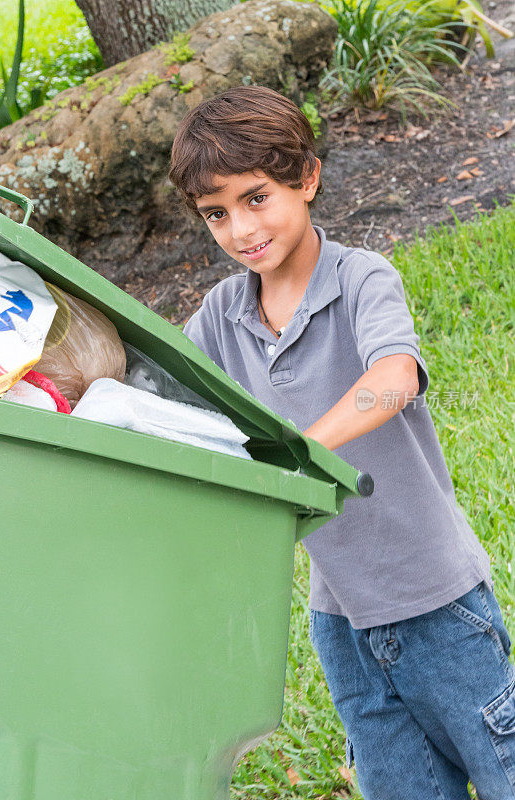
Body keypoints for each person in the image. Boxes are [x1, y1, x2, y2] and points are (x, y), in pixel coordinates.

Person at [168, 84, 515, 799]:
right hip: (342, 616)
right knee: (400, 786)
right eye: (216, 214)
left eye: (256, 197)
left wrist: (301, 446)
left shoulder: (360, 279)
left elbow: (394, 377)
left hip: (435, 600)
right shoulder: (222, 314)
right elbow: (162, 396)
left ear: (308, 178)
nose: (240, 229)